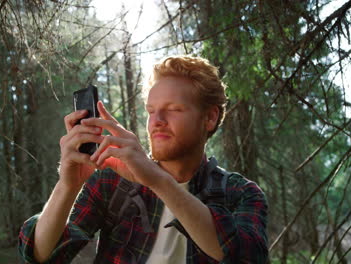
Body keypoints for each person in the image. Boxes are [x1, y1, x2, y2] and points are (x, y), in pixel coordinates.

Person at [18, 56, 268, 263]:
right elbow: (42, 255)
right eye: (150, 111)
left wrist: (157, 180)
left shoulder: (240, 192)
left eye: (173, 109)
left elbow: (246, 256)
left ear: (210, 118)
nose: (156, 120)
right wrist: (67, 185)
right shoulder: (112, 181)